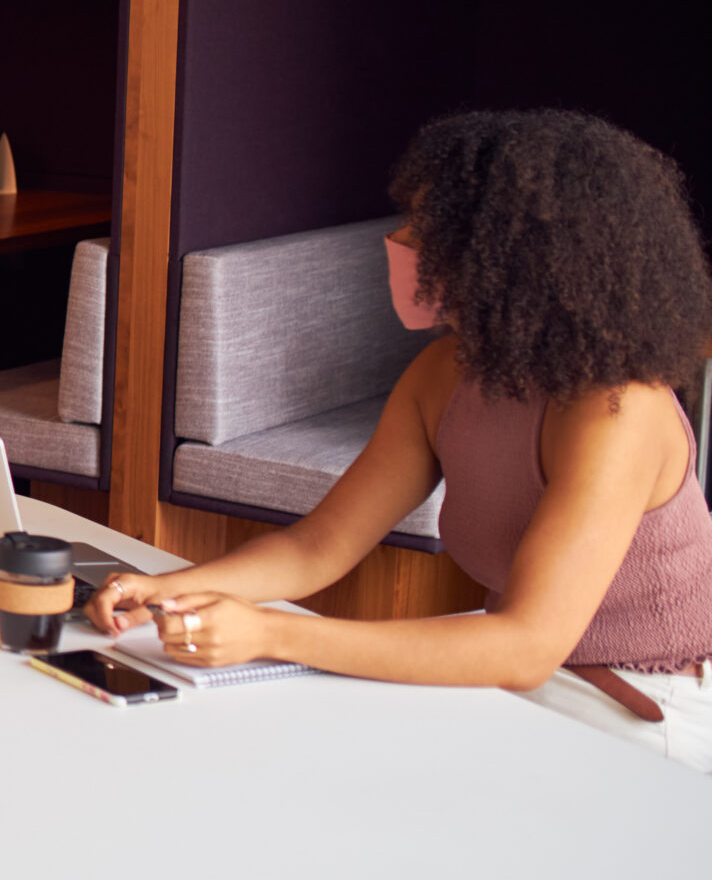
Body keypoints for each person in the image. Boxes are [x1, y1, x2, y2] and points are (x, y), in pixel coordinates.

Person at [90, 110, 712, 771]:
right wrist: (170, 590)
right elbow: (317, 547)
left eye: (429, 227)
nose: (402, 239)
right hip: (506, 670)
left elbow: (528, 647)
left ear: (509, 251)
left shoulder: (617, 412)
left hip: (637, 704)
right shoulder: (445, 374)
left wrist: (272, 632)